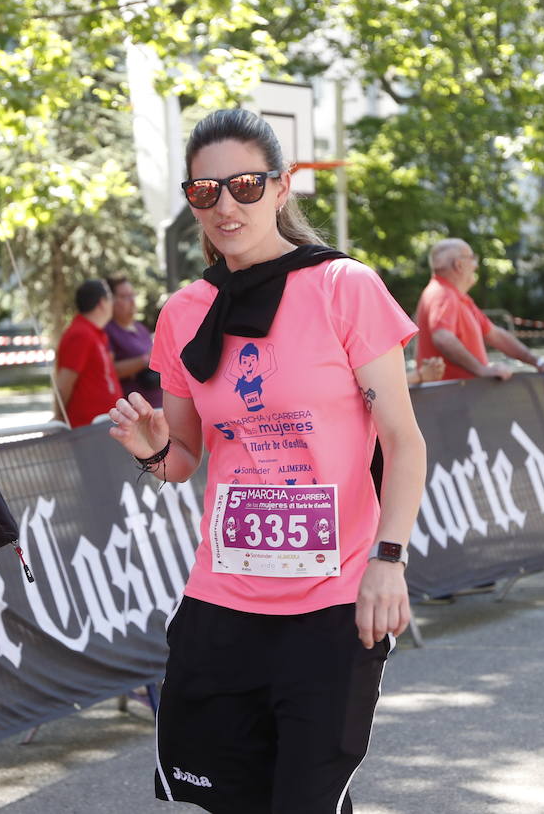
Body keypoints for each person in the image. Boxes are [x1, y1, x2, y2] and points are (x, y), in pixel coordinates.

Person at [107, 109, 427, 812]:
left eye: (245, 185)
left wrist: (389, 558)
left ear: (282, 189)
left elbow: (404, 441)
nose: (226, 205)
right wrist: (154, 448)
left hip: (333, 601)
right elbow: (185, 458)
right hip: (224, 602)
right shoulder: (184, 313)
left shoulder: (344, 287)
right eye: (205, 192)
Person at [414, 238, 544, 384]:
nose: (476, 265)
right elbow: (443, 338)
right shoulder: (443, 294)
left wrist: (538, 362)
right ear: (459, 265)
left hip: (457, 399)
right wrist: (482, 370)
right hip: (450, 400)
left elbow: (496, 335)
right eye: (472, 258)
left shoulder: (457, 297)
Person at [53, 279, 124, 427]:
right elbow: (64, 383)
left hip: (101, 426)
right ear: (102, 303)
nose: (113, 303)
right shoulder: (80, 334)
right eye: (110, 298)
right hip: (87, 428)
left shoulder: (93, 332)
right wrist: (59, 420)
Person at [104, 274, 163, 407]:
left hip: (158, 403)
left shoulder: (140, 328)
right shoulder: (107, 331)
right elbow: (110, 370)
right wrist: (145, 359)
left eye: (133, 295)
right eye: (124, 297)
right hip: (133, 409)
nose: (132, 301)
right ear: (111, 301)